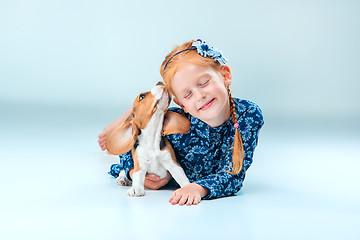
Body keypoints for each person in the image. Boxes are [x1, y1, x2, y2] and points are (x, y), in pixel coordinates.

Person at [98, 39, 264, 206]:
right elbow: (131, 147)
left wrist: (198, 188)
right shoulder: (175, 123)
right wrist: (135, 172)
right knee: (141, 128)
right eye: (187, 95)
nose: (200, 96)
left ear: (225, 75)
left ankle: (138, 111)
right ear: (181, 104)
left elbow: (233, 175)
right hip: (165, 164)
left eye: (204, 83)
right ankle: (134, 114)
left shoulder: (247, 115)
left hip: (190, 180)